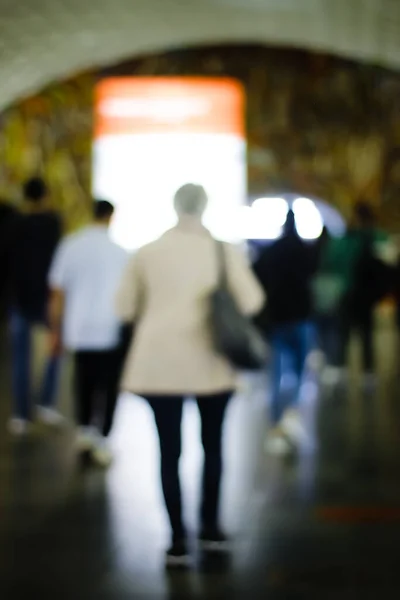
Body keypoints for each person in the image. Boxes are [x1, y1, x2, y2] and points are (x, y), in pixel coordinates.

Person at [115, 183, 264, 567]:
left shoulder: (147, 251)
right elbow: (252, 300)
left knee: (169, 452)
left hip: (157, 363)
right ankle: (211, 530)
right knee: (212, 447)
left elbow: (123, 308)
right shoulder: (221, 250)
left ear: (174, 205)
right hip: (211, 363)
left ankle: (177, 540)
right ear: (206, 205)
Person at [48, 200, 128, 466]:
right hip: (111, 329)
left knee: (83, 381)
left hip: (79, 329)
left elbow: (57, 292)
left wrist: (55, 329)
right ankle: (102, 437)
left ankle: (85, 431)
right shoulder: (119, 252)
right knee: (109, 386)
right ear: (111, 217)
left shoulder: (71, 245)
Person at [253, 209, 316, 454]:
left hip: (279, 317)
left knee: (277, 370)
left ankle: (277, 419)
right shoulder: (304, 249)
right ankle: (293, 412)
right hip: (301, 315)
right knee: (300, 369)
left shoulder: (273, 251)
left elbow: (258, 273)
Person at [6, 177, 62, 434]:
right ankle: (46, 402)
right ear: (45, 195)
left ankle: (21, 413)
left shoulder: (14, 224)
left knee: (21, 358)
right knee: (54, 350)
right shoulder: (53, 223)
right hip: (46, 297)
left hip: (19, 297)